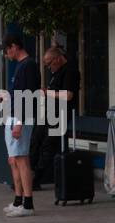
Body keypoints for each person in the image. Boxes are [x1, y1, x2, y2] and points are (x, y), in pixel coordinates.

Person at [1, 34, 40, 216]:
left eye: (7, 50)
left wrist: (19, 122)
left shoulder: (29, 65)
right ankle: (19, 200)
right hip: (15, 116)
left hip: (21, 119)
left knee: (22, 158)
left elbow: (28, 97)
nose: (6, 54)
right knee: (14, 159)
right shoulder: (21, 66)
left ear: (14, 46)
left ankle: (28, 204)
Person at [31, 44, 80, 188]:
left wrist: (47, 92)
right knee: (36, 141)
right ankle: (30, 172)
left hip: (60, 114)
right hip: (48, 112)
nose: (48, 67)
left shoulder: (70, 72)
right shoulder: (55, 73)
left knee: (48, 146)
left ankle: (37, 179)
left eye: (49, 64)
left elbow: (68, 95)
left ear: (58, 59)